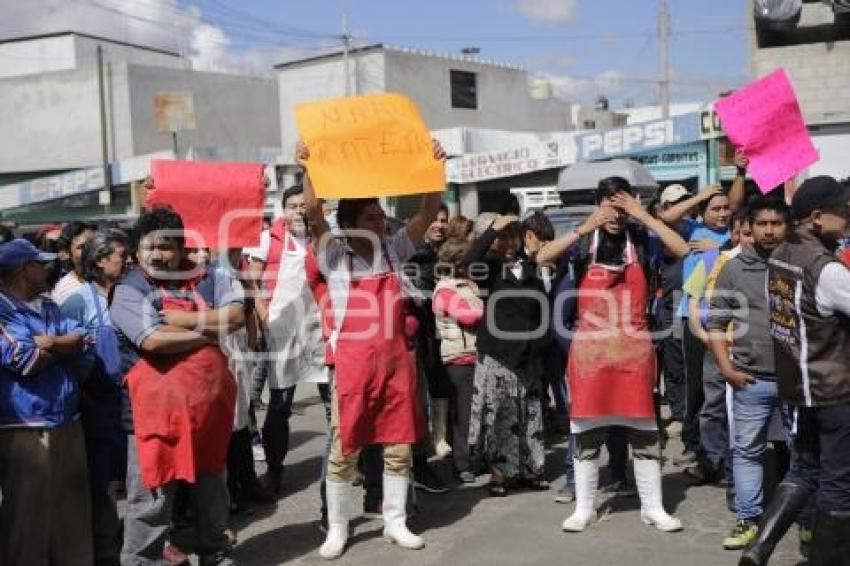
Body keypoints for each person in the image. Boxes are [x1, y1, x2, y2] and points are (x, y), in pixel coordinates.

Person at [299, 140, 447, 560]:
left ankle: (395, 521)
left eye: (381, 215)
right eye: (371, 216)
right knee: (345, 447)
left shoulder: (395, 248)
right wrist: (308, 167)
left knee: (399, 444)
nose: (380, 221)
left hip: (397, 360)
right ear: (348, 223)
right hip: (353, 363)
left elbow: (427, 211)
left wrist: (434, 168)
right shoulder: (334, 254)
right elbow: (312, 213)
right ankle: (339, 528)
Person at [537, 176, 689, 533]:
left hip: (634, 352)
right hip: (590, 353)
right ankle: (585, 507)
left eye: (623, 205)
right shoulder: (583, 242)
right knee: (586, 431)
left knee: (645, 432)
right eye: (610, 204)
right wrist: (585, 225)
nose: (617, 214)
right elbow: (541, 256)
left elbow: (682, 250)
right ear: (598, 204)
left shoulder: (643, 239)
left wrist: (644, 216)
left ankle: (653, 508)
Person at [110, 206, 245, 565]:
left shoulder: (211, 276)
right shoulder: (128, 290)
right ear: (137, 251)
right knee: (151, 501)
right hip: (154, 417)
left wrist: (183, 320)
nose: (157, 254)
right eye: (148, 247)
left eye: (166, 247)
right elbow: (152, 339)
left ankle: (215, 551)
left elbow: (235, 316)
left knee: (212, 490)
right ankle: (142, 562)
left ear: (181, 248)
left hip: (209, 411)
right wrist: (208, 331)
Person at [742, 176, 850, 566]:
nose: (848, 217)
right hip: (835, 391)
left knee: (803, 471)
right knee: (839, 485)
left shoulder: (780, 255)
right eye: (844, 211)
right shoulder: (826, 270)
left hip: (800, 390)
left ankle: (759, 549)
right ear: (818, 217)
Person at [705, 198, 793, 550]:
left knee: (803, 454)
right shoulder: (734, 268)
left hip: (797, 383)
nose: (769, 230)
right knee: (746, 451)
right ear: (750, 228)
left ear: (788, 226)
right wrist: (727, 369)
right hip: (750, 379)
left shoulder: (799, 265)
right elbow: (716, 322)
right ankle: (748, 519)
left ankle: (805, 521)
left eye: (776, 223)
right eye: (762, 224)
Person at [0, 238, 92, 565]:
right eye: (40, 263)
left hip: (68, 419)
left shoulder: (48, 303)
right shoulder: (2, 309)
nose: (48, 267)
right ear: (25, 270)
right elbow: (25, 360)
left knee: (72, 518)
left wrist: (50, 342)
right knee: (28, 520)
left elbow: (83, 338)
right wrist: (62, 348)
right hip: (26, 427)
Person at [248, 185, 326, 494]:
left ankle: (345, 467)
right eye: (292, 206)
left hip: (319, 328)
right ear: (283, 210)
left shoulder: (322, 239)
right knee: (280, 404)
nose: (298, 210)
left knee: (332, 398)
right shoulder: (268, 239)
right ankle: (275, 470)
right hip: (281, 328)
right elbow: (252, 280)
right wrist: (263, 315)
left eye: (302, 205)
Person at [465, 212, 549, 496]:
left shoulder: (532, 269)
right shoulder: (489, 267)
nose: (507, 242)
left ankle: (532, 469)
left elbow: (542, 312)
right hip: (498, 354)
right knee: (499, 415)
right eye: (502, 237)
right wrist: (491, 230)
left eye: (511, 236)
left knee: (531, 415)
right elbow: (469, 262)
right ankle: (500, 473)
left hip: (529, 355)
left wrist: (539, 349)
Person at [60, 229, 129, 566]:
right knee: (101, 483)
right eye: (121, 255)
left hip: (131, 398)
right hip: (96, 403)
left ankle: (141, 544)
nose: (127, 259)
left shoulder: (130, 293)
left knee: (138, 477)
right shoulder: (77, 301)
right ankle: (105, 551)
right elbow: (66, 355)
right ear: (100, 261)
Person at [432, 236, 484, 483]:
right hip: (458, 358)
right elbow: (469, 317)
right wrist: (491, 309)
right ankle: (462, 463)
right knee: (462, 414)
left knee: (475, 412)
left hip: (475, 355)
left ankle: (475, 458)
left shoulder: (468, 284)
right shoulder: (445, 289)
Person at [52, 221, 96, 304]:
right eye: (82, 247)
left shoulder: (114, 280)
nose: (90, 251)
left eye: (93, 244)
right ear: (66, 253)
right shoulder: (67, 292)